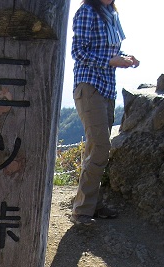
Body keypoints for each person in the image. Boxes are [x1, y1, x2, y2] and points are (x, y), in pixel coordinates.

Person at [70, 0, 139, 226]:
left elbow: (112, 51)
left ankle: (92, 204)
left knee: (94, 147)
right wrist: (110, 61)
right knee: (100, 147)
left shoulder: (110, 13)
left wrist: (126, 58)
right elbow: (78, 52)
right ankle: (81, 211)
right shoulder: (87, 11)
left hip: (106, 87)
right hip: (89, 86)